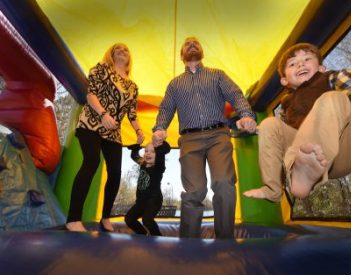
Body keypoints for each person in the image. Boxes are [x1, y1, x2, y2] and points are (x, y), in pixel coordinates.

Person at [152, 36, 257, 239]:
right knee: (194, 192)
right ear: (181, 55)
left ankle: (225, 241)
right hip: (189, 140)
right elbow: (165, 108)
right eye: (187, 44)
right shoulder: (174, 84)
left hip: (218, 135)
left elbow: (236, 95)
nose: (192, 44)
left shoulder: (217, 75)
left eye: (196, 42)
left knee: (224, 183)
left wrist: (246, 115)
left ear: (202, 52)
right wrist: (159, 128)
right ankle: (188, 245)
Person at [243, 42, 351, 202]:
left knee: (332, 98)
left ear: (321, 68)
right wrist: (253, 127)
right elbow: (280, 135)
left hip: (346, 150)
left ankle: (306, 167)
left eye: (307, 59)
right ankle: (274, 188)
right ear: (284, 80)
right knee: (270, 124)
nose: (301, 64)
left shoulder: (331, 78)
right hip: (311, 156)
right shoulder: (287, 103)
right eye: (293, 64)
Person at [65, 43, 144, 232]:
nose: (121, 51)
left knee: (115, 172)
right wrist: (103, 115)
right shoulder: (101, 69)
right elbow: (91, 95)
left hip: (113, 132)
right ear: (111, 54)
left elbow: (131, 113)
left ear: (129, 58)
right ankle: (73, 218)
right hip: (91, 123)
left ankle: (105, 217)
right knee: (91, 162)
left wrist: (139, 131)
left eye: (125, 49)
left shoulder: (132, 87)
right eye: (117, 49)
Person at [125, 141, 171, 236]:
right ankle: (143, 234)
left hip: (154, 200)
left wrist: (159, 144)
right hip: (141, 201)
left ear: (158, 154)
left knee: (147, 220)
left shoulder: (159, 167)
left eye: (152, 152)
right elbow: (134, 156)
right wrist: (136, 147)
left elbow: (164, 150)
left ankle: (158, 237)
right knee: (129, 219)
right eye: (146, 151)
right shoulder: (143, 164)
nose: (148, 153)